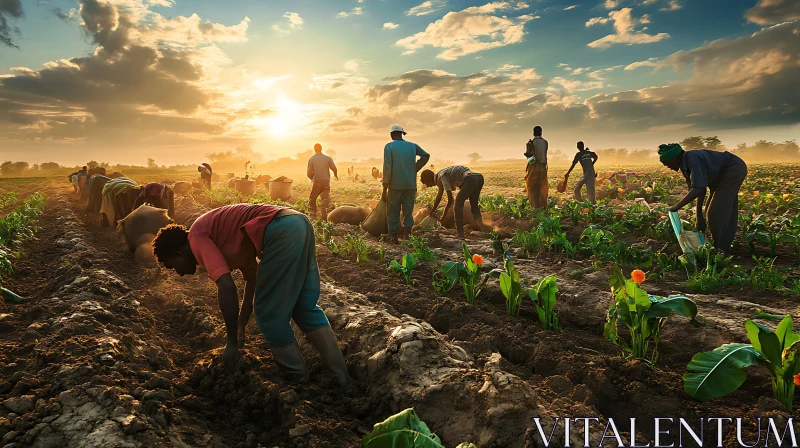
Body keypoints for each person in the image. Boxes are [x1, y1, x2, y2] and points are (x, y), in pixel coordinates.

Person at [151, 204, 350, 385]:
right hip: (298, 222)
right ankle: (341, 377)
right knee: (303, 307)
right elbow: (252, 280)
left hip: (280, 230)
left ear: (177, 254)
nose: (178, 272)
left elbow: (227, 287)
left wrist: (231, 343)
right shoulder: (216, 233)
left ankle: (297, 380)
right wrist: (240, 325)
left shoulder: (196, 237)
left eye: (172, 266)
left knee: (269, 314)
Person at [658, 143, 748, 252]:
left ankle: (721, 249)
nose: (667, 166)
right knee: (719, 210)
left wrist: (676, 207)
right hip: (719, 177)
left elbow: (698, 189)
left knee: (715, 212)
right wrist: (699, 217)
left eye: (666, 163)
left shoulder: (693, 159)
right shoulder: (685, 167)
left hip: (732, 170)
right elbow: (698, 190)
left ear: (674, 158)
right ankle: (721, 244)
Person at [382, 124, 430, 243]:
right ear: (402, 133)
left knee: (393, 210)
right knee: (408, 211)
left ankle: (393, 236)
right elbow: (426, 155)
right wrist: (414, 168)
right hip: (410, 185)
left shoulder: (389, 147)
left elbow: (387, 167)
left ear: (392, 135)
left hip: (395, 185)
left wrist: (384, 187)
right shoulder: (412, 146)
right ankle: (407, 234)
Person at [420, 166, 486, 239]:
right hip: (478, 177)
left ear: (428, 180)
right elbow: (439, 196)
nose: (428, 186)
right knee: (474, 206)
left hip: (470, 178)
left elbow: (450, 199)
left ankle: (460, 234)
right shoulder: (441, 175)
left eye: (426, 183)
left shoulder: (442, 176)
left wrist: (440, 215)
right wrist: (439, 215)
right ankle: (482, 229)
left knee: (458, 203)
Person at [307, 143, 338, 220]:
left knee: (313, 198)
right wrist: (335, 175)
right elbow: (334, 168)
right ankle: (325, 215)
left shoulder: (312, 159)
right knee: (325, 197)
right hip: (326, 180)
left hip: (317, 180)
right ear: (321, 149)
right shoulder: (327, 158)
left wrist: (312, 179)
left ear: (315, 149)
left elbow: (309, 173)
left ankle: (313, 214)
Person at [524, 126, 549, 209]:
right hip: (543, 167)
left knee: (533, 187)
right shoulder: (545, 142)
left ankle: (535, 207)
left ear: (533, 133)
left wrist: (528, 155)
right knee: (543, 186)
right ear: (541, 132)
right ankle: (544, 206)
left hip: (535, 168)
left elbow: (532, 159)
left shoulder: (531, 143)